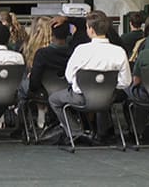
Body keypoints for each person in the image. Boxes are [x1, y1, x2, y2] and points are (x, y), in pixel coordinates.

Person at [48, 11, 131, 143]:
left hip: (82, 98)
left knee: (53, 99)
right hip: (108, 98)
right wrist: (110, 86)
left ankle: (76, 132)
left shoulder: (81, 50)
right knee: (103, 92)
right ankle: (103, 133)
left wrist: (79, 87)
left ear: (91, 30)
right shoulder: (119, 52)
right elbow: (126, 81)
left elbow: (69, 76)